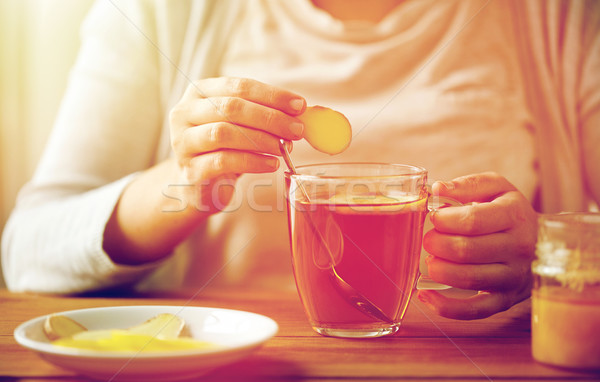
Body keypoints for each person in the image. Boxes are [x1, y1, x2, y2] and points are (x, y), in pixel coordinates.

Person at [2, 0, 598, 320]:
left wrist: (552, 255)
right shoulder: (160, 9)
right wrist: (182, 186)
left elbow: (565, 255)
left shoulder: (559, 16)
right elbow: (26, 255)